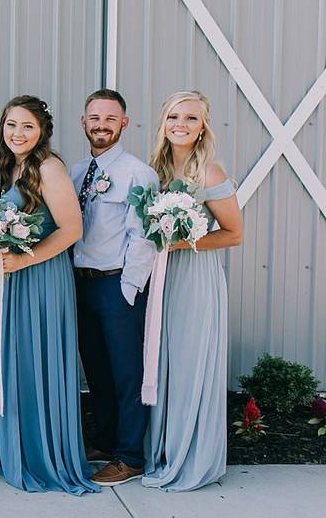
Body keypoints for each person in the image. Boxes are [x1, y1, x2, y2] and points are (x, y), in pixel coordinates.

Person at [0, 95, 98, 495]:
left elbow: (71, 230)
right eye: (12, 125)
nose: (18, 133)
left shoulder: (48, 167)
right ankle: (18, 448)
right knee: (13, 361)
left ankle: (44, 454)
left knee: (37, 360)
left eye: (27, 126)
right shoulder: (7, 167)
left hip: (40, 279)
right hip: (9, 280)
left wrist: (24, 261)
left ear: (42, 131)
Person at [143, 90, 243, 491]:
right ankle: (164, 450)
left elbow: (234, 235)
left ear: (204, 127)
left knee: (188, 365)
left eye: (190, 119)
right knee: (163, 363)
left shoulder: (211, 174)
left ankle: (191, 458)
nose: (180, 125)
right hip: (162, 278)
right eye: (173, 117)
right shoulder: (157, 169)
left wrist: (180, 242)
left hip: (195, 278)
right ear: (163, 123)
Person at [70, 89, 159, 485]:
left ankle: (130, 455)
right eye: (94, 117)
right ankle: (106, 441)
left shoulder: (138, 173)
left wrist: (129, 288)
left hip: (118, 285)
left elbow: (144, 237)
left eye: (110, 118)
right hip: (81, 283)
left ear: (123, 123)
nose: (101, 125)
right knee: (98, 370)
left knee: (126, 373)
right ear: (83, 122)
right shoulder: (74, 173)